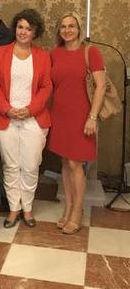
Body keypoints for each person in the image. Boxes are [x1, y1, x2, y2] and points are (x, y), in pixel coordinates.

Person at [0, 8, 52, 228]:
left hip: (33, 118)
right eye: (20, 27)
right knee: (11, 165)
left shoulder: (43, 56)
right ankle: (14, 208)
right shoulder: (0, 53)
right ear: (15, 28)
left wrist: (31, 109)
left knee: (31, 165)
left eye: (28, 28)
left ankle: (28, 208)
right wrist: (6, 109)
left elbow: (46, 86)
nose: (23, 32)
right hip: (6, 118)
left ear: (35, 33)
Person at [48, 13, 106, 235]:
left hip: (82, 115)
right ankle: (69, 206)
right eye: (63, 26)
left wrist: (92, 117)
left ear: (79, 28)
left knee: (75, 164)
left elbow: (100, 86)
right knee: (65, 162)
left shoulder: (91, 52)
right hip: (60, 115)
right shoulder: (55, 53)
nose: (67, 30)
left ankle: (78, 211)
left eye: (71, 26)